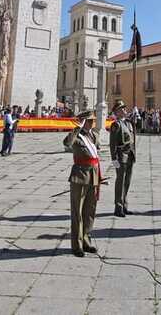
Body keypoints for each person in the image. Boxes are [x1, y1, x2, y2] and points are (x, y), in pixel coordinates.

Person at [63, 109, 101, 257]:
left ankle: (86, 240)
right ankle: (76, 245)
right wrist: (77, 128)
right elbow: (67, 143)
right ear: (84, 121)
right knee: (77, 212)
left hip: (93, 175)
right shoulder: (76, 136)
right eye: (89, 121)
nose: (92, 123)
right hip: (79, 176)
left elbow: (96, 154)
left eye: (93, 120)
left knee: (89, 211)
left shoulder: (93, 135)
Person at [108, 100, 136, 217]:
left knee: (127, 181)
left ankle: (124, 204)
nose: (125, 110)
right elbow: (113, 143)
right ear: (117, 112)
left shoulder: (129, 123)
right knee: (120, 181)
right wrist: (114, 158)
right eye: (122, 109)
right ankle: (118, 207)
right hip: (121, 156)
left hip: (130, 155)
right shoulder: (116, 125)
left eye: (125, 108)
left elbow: (133, 140)